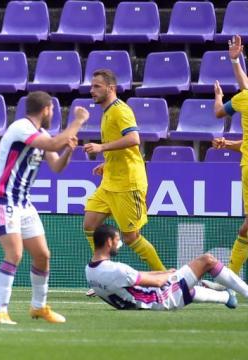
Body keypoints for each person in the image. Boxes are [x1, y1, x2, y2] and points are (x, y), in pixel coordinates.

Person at [0, 91, 89, 325]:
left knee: (43, 255)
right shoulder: (21, 128)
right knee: (14, 254)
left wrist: (69, 152)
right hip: (4, 199)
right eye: (52, 110)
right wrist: (78, 121)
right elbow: (54, 142)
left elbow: (56, 166)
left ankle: (39, 307)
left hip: (23, 202)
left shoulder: (40, 133)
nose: (52, 114)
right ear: (45, 110)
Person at [83, 69, 166, 277]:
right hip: (110, 181)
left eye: (97, 86)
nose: (92, 90)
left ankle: (165, 277)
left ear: (111, 88)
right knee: (90, 226)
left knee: (131, 237)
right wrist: (107, 163)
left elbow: (134, 139)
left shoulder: (121, 110)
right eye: (92, 86)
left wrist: (102, 148)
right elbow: (121, 147)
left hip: (128, 183)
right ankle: (103, 272)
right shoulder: (107, 111)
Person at [85, 224, 248, 311]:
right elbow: (156, 283)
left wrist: (165, 272)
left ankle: (227, 298)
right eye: (117, 241)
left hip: (141, 303)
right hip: (160, 299)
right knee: (207, 260)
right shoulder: (116, 270)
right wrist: (175, 274)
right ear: (108, 242)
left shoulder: (90, 271)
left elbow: (135, 277)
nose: (119, 245)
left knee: (186, 289)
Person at [212, 34, 248, 275]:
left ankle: (230, 280)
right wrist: (229, 145)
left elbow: (217, 113)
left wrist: (218, 97)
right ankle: (232, 279)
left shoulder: (244, 99)